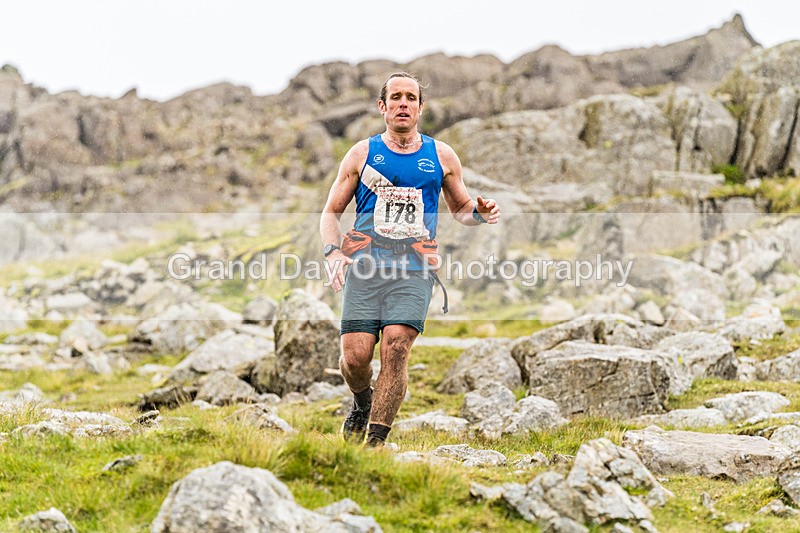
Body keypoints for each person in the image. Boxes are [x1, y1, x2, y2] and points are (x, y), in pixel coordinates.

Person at [319, 72, 500, 447]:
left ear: (420, 107)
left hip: (414, 267)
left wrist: (479, 212)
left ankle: (374, 444)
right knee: (355, 358)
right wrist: (332, 251)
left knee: (397, 347)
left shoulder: (442, 155)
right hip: (365, 265)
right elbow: (330, 212)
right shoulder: (362, 153)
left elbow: (461, 208)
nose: (404, 103)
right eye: (396, 97)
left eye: (411, 98)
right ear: (383, 107)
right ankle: (361, 401)